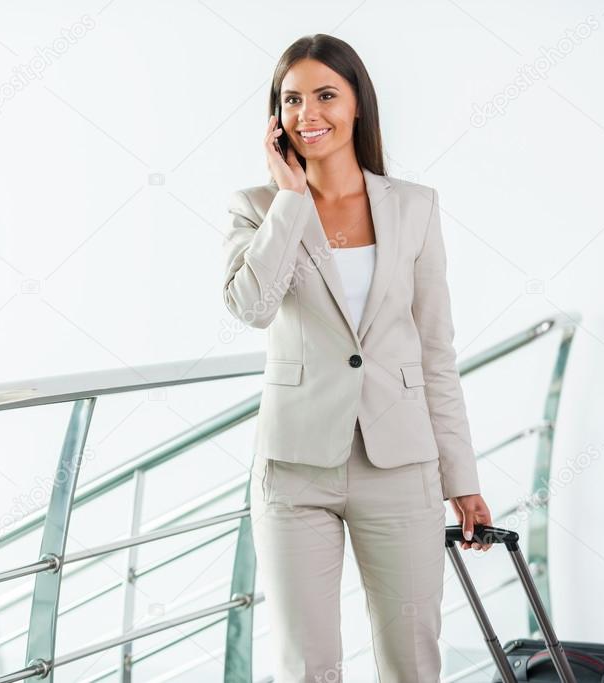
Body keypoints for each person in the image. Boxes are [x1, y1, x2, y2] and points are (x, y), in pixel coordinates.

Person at [221, 34, 494, 682]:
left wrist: (462, 476)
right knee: (305, 664)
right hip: (294, 469)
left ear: (357, 106)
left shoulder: (413, 206)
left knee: (410, 658)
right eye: (291, 100)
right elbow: (251, 306)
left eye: (324, 95)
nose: (306, 113)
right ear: (275, 115)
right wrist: (289, 200)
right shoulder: (256, 209)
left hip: (399, 464)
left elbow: (434, 349)